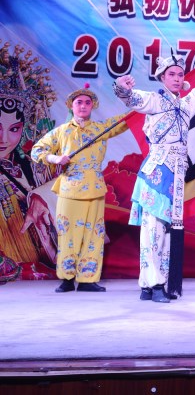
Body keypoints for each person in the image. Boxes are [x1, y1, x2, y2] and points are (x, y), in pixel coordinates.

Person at [113, 41, 195, 303]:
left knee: (166, 230)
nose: (176, 78)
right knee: (152, 229)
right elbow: (132, 98)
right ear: (162, 78)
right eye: (171, 74)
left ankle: (154, 284)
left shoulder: (186, 104)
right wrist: (122, 87)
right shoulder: (154, 100)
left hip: (176, 174)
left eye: (179, 74)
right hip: (157, 171)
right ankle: (153, 284)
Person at [31, 84, 128, 292]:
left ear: (92, 106)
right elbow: (37, 150)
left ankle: (87, 280)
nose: (83, 106)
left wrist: (133, 97)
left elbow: (127, 120)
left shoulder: (101, 129)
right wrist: (55, 158)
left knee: (94, 234)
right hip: (69, 189)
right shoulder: (61, 131)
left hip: (94, 188)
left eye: (87, 102)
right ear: (71, 106)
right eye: (79, 102)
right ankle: (66, 279)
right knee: (67, 233)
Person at [0, 42, 59, 278]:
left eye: (14, 129)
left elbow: (68, 184)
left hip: (41, 273)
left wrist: (42, 197)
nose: (4, 139)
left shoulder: (34, 167)